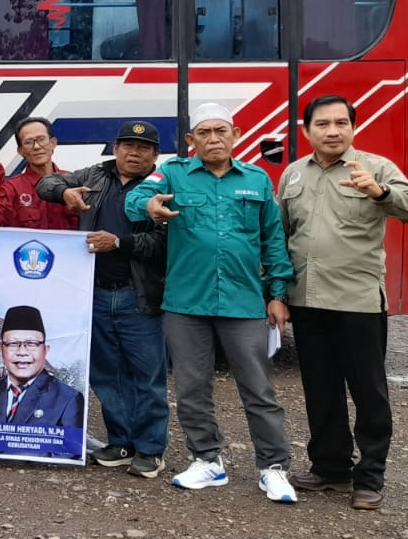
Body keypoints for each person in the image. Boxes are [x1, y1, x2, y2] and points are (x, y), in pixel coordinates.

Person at [124, 102, 298, 503]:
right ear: (191, 140)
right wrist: (148, 206)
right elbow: (138, 199)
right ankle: (207, 460)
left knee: (258, 389)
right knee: (191, 388)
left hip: (243, 303)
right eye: (205, 132)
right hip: (186, 303)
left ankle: (273, 467)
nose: (214, 138)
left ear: (235, 135)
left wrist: (277, 294)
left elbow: (273, 240)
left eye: (222, 131)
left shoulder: (255, 180)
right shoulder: (172, 174)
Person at [279, 95, 408, 511]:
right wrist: (276, 292)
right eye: (323, 124)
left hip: (358, 301)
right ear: (306, 131)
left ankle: (370, 477)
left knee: (369, 392)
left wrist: (379, 192)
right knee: (320, 389)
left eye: (341, 123)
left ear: (352, 127)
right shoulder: (293, 175)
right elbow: (282, 236)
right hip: (307, 300)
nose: (333, 131)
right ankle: (330, 468)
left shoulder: (376, 168)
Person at [37, 120, 169, 478]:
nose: (133, 152)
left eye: (143, 148)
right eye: (127, 145)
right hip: (93, 293)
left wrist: (120, 242)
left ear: (155, 155)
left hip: (138, 295)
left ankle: (152, 448)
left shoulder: (164, 187)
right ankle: (122, 442)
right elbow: (45, 181)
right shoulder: (94, 175)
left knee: (147, 375)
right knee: (106, 374)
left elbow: (163, 246)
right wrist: (63, 193)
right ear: (115, 148)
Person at [0, 305, 85, 427]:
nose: (22, 352)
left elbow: (69, 445)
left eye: (31, 344)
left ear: (45, 350)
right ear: (1, 350)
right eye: (13, 344)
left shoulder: (67, 399)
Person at [0, 117, 77, 230]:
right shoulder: (11, 189)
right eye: (28, 142)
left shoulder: (74, 182)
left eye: (41, 139)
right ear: (20, 151)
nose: (36, 147)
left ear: (53, 143)